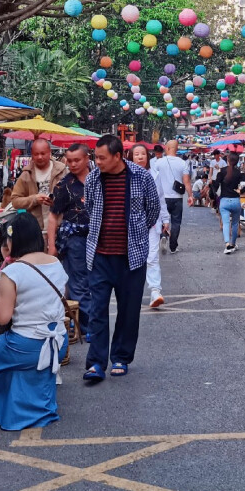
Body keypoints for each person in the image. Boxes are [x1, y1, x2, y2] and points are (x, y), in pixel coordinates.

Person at [0, 213, 68, 428]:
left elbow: (2, 317)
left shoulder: (14, 270)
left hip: (26, 347)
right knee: (1, 344)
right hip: (57, 344)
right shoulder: (55, 263)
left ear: (12, 241)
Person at [82, 135, 160, 383]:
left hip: (132, 257)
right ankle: (96, 362)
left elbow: (153, 210)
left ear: (117, 156)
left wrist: (135, 235)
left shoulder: (141, 176)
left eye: (102, 157)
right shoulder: (93, 178)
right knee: (97, 310)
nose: (97, 162)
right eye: (96, 157)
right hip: (100, 256)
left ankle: (121, 358)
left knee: (128, 311)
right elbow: (90, 209)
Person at [48, 143, 92, 334]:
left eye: (77, 160)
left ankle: (93, 323)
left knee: (97, 282)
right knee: (78, 283)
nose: (73, 164)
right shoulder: (64, 185)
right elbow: (53, 216)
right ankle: (89, 327)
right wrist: (51, 246)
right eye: (70, 160)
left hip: (100, 238)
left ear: (87, 158)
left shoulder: (99, 180)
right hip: (74, 239)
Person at [128, 144, 169, 309]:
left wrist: (165, 219)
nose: (140, 157)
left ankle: (155, 291)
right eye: (136, 154)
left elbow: (160, 198)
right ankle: (131, 291)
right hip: (130, 224)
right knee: (131, 258)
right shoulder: (125, 175)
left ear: (148, 157)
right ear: (131, 156)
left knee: (152, 257)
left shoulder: (155, 174)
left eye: (143, 154)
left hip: (151, 222)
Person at [11, 138, 68, 229]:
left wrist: (57, 201)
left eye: (43, 153)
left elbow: (73, 197)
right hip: (35, 229)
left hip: (59, 227)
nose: (39, 157)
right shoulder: (26, 174)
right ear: (32, 155)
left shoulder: (62, 171)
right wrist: (34, 199)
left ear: (49, 152)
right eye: (36, 154)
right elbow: (15, 201)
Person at [153, 139, 191, 254]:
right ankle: (173, 246)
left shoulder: (158, 163)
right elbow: (187, 181)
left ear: (167, 148)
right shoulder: (182, 163)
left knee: (161, 219)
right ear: (177, 149)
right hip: (177, 197)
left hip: (162, 197)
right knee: (176, 222)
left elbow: (154, 180)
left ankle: (163, 235)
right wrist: (190, 196)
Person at [216, 152, 245, 255]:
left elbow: (215, 186)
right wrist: (241, 191)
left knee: (226, 223)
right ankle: (233, 243)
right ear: (237, 162)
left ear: (228, 160)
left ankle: (227, 244)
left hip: (224, 201)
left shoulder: (222, 172)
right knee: (235, 223)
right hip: (236, 201)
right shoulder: (239, 173)